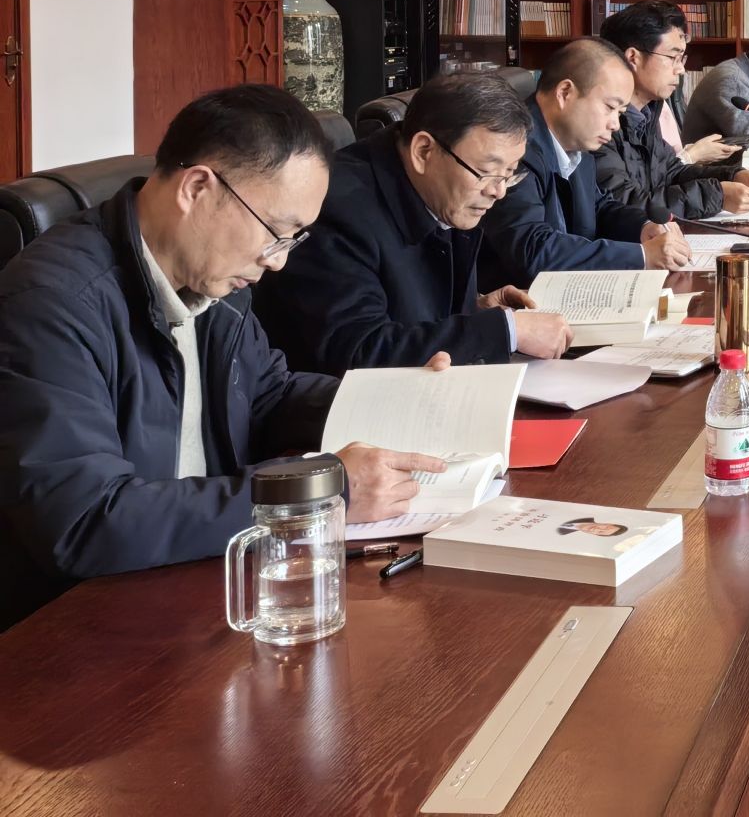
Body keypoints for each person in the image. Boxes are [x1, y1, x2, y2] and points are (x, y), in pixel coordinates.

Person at [0, 85, 448, 630]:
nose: (277, 262)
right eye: (276, 234)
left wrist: (400, 399)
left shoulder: (214, 277)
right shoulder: (52, 305)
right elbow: (86, 522)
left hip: (206, 578)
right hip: (85, 624)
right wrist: (319, 489)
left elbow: (269, 394)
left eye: (292, 240)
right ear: (197, 188)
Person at [256, 71, 575, 375]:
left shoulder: (442, 189)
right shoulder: (337, 210)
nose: (498, 191)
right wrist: (506, 331)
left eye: (509, 173)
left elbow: (403, 310)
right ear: (424, 151)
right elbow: (358, 353)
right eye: (488, 172)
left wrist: (476, 308)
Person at [481, 38, 696, 291]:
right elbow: (532, 249)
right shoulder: (515, 148)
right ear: (565, 93)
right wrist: (641, 256)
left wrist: (643, 227)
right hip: (517, 301)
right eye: (610, 107)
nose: (615, 124)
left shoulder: (576, 143)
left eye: (620, 113)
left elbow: (599, 206)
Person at [595, 0, 749, 218]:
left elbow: (671, 173)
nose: (680, 69)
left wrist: (734, 177)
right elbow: (623, 204)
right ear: (633, 57)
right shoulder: (599, 124)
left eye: (682, 58)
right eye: (673, 57)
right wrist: (717, 195)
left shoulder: (647, 113)